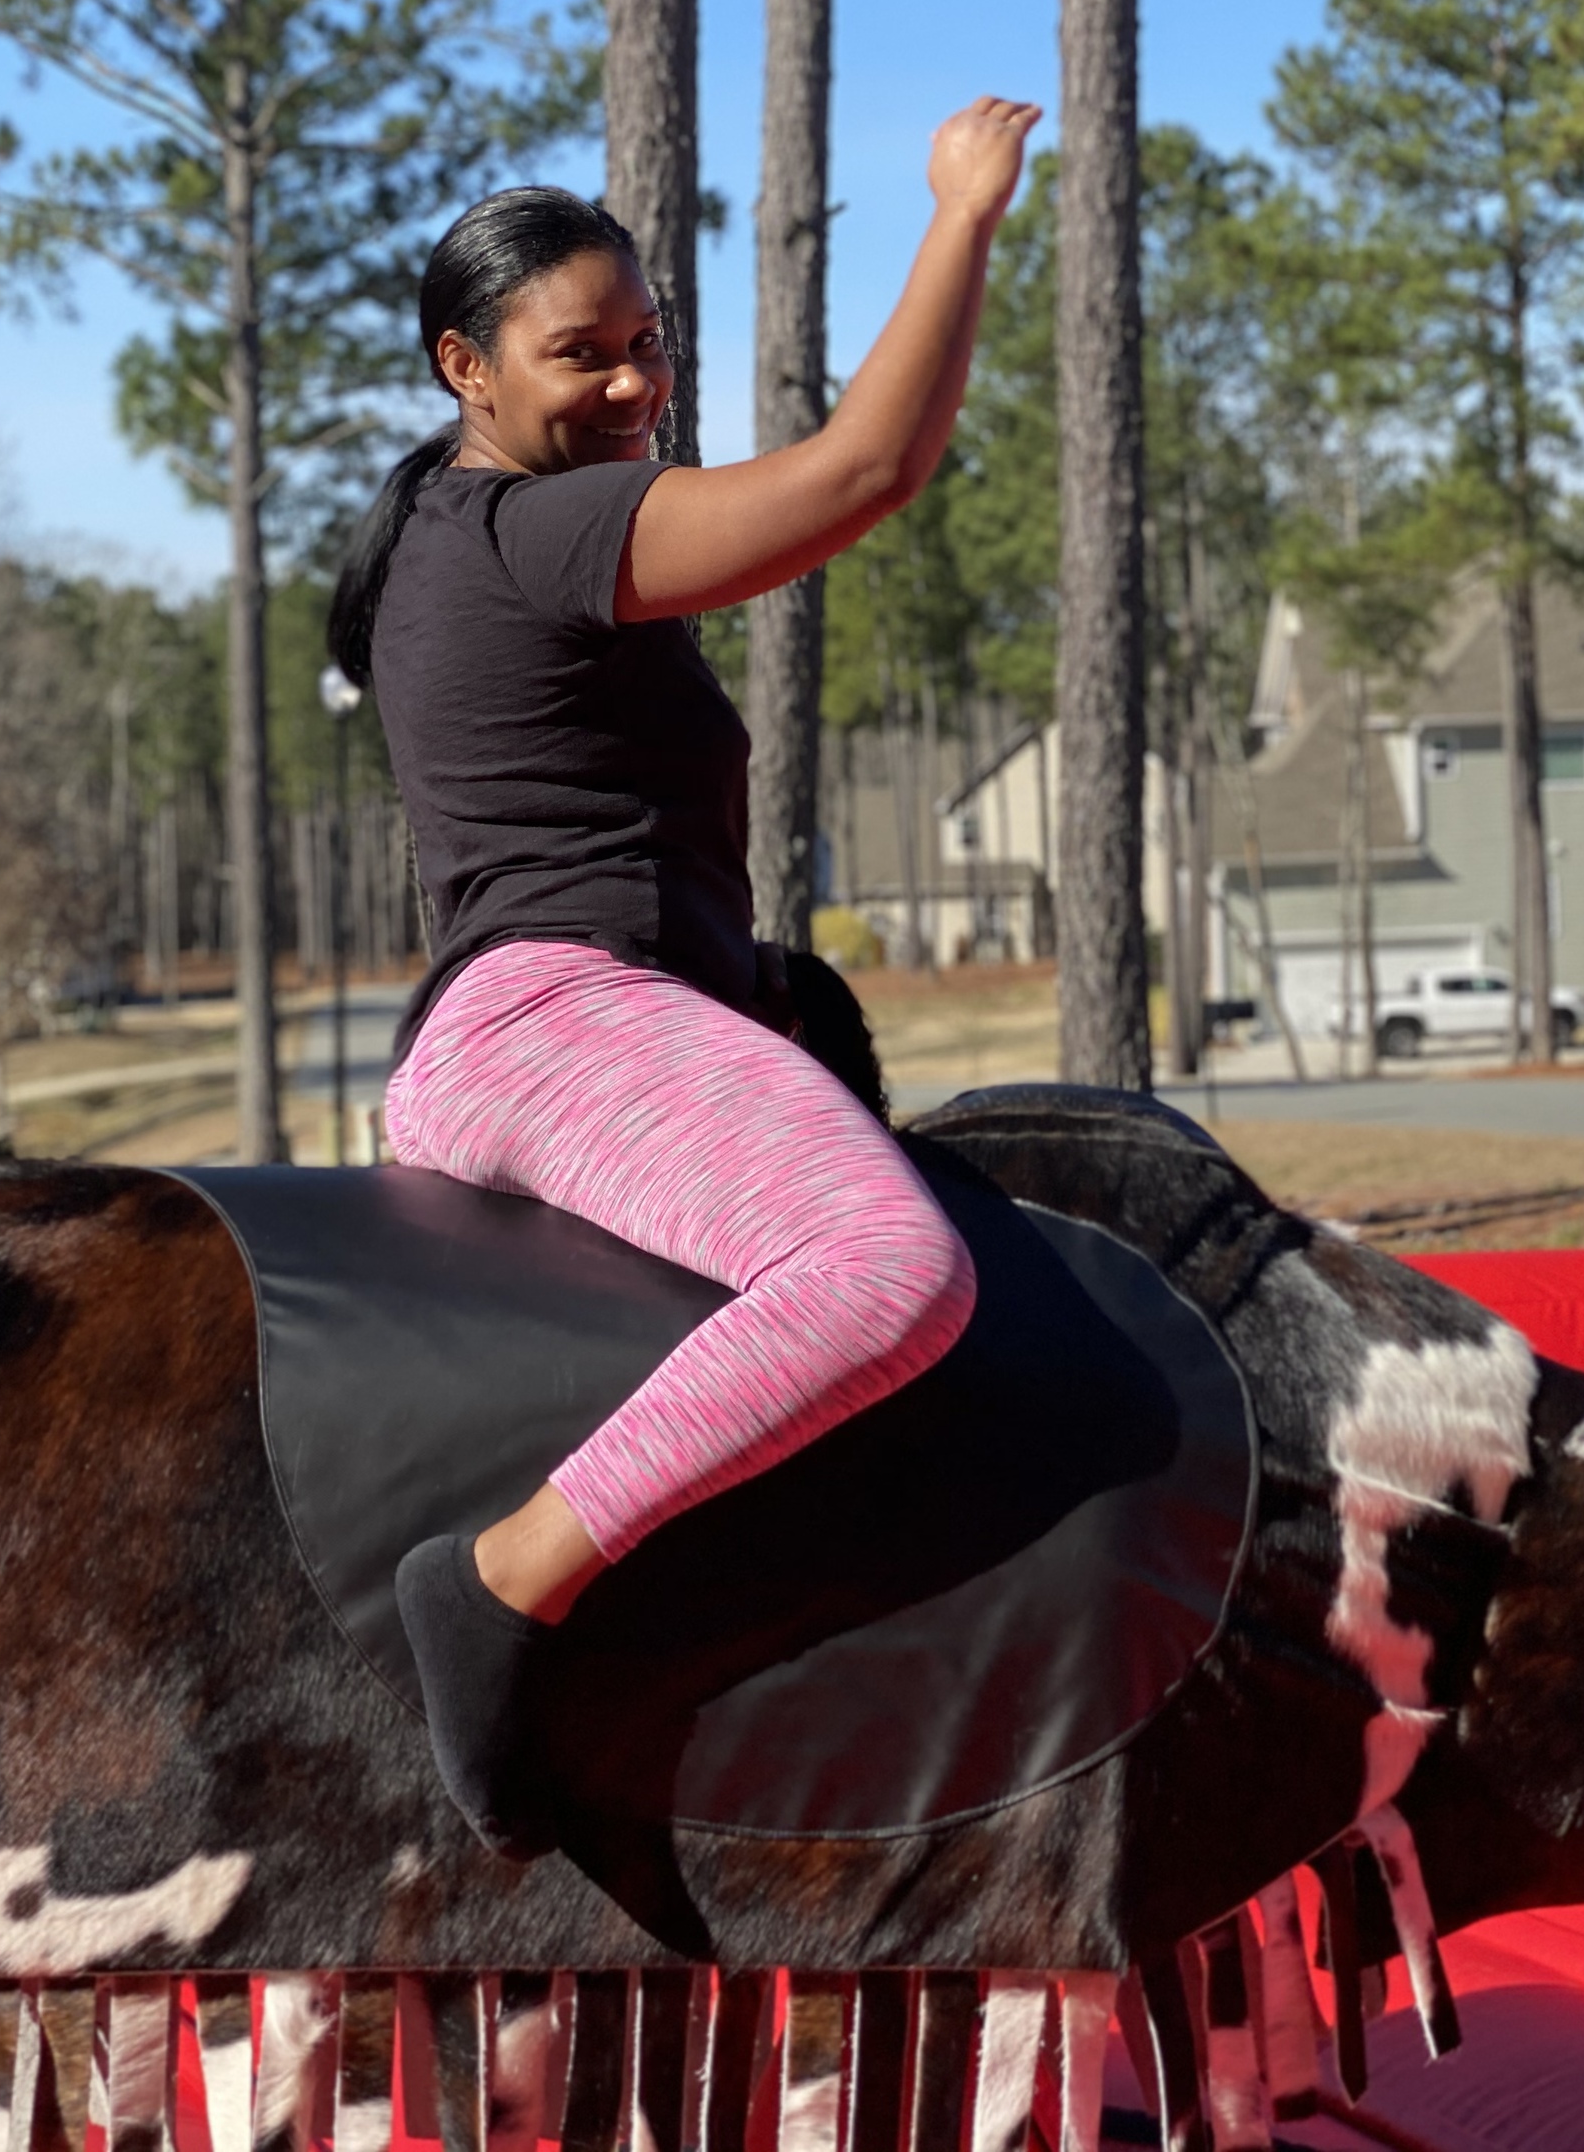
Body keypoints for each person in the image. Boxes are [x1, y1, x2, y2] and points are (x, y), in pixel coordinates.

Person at [326, 93, 1040, 1855]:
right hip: (553, 1021)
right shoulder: (524, 529)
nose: (635, 388)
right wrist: (958, 217)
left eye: (648, 345)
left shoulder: (453, 523)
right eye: (582, 354)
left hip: (562, 1019)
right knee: (889, 1270)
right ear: (462, 368)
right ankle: (499, 1583)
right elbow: (860, 476)